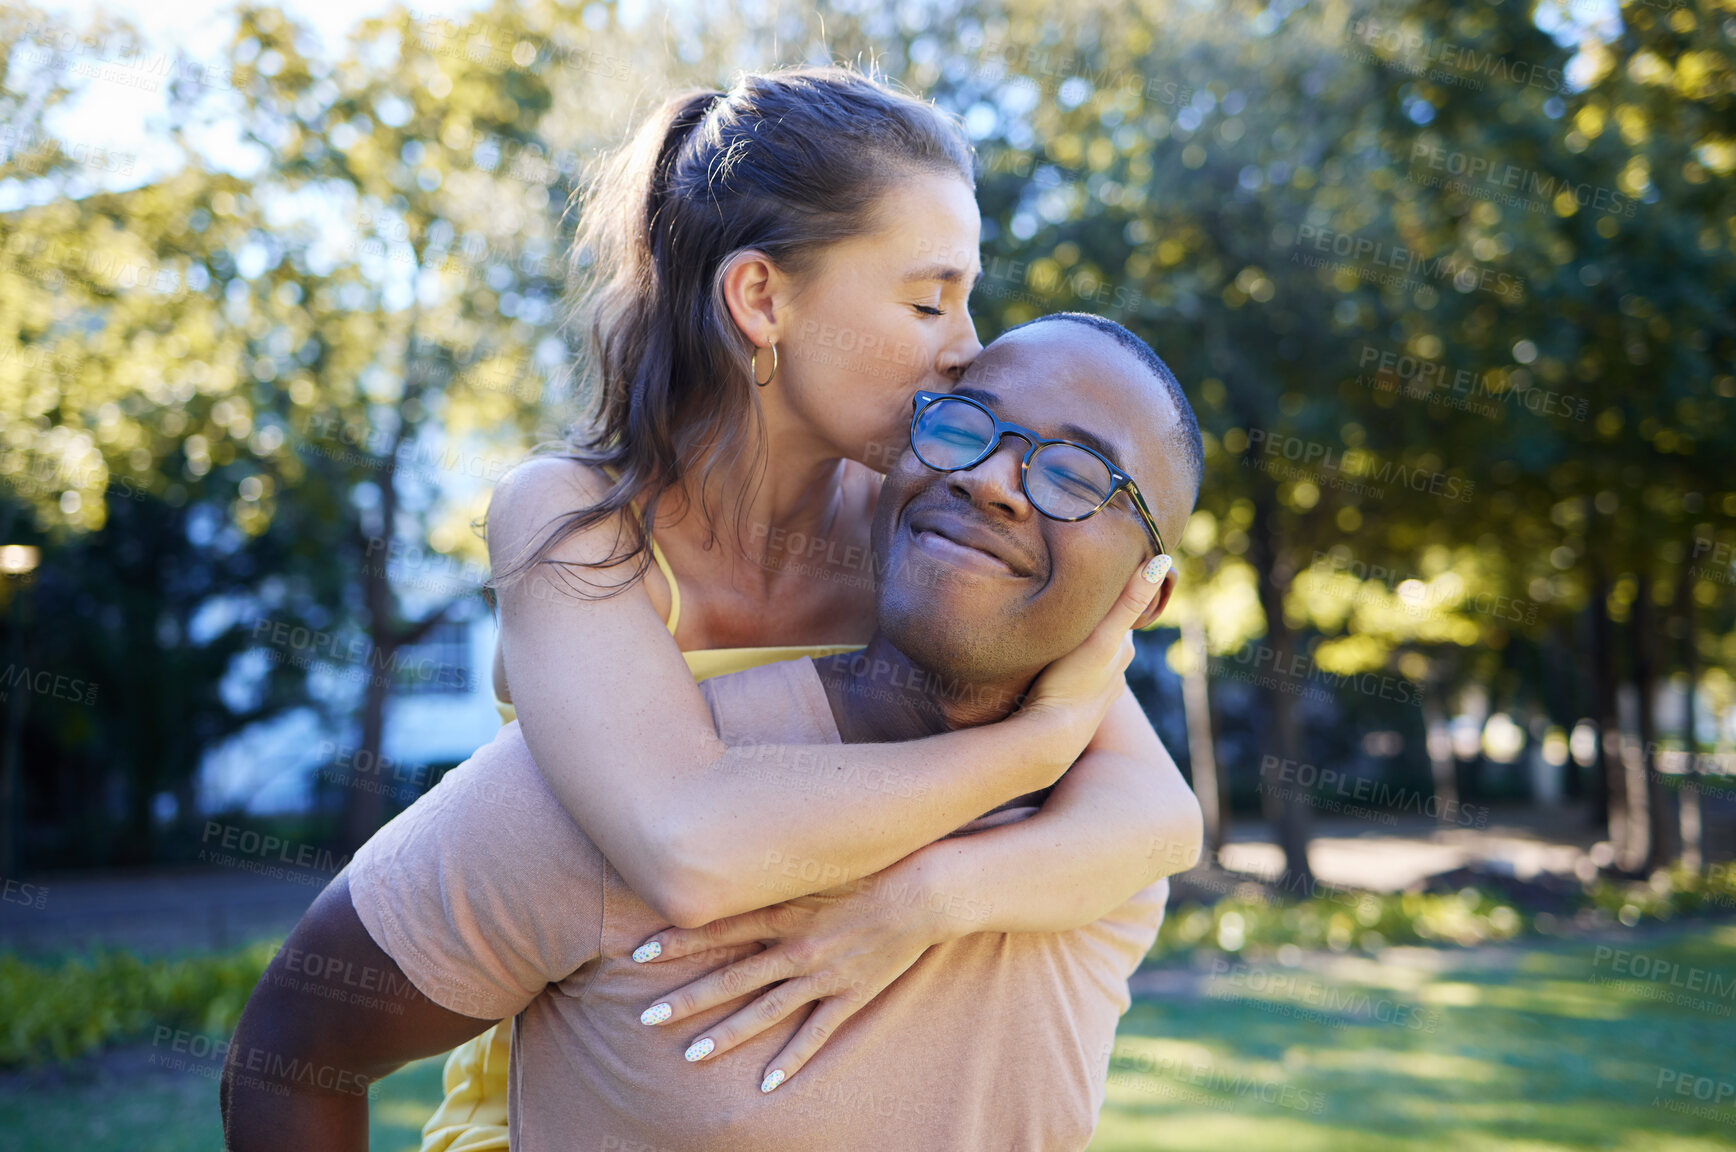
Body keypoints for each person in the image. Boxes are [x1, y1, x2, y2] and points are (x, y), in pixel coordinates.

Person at [424, 65, 1201, 1149]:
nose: (967, 345)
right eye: (929, 299)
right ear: (761, 300)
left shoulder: (913, 526)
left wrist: (922, 901)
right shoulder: (573, 518)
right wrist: (1034, 752)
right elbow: (684, 843)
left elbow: (1154, 821)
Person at [220, 312, 1205, 1151]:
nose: (991, 478)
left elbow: (1165, 822)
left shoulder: (1103, 836)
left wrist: (933, 889)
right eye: (963, 422)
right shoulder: (618, 787)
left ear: (1145, 593)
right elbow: (286, 1057)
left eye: (1078, 477)